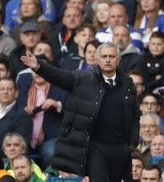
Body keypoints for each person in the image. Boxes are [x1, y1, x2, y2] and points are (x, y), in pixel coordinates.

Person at [20, 42, 139, 181]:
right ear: (98, 59)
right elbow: (59, 76)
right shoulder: (83, 79)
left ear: (118, 60)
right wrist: (39, 66)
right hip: (96, 148)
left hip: (120, 147)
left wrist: (133, 141)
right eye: (104, 56)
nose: (107, 60)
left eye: (111, 56)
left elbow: (134, 114)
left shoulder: (128, 83)